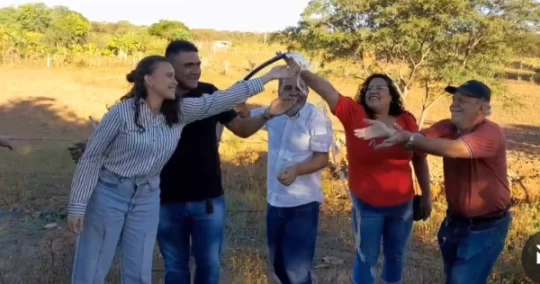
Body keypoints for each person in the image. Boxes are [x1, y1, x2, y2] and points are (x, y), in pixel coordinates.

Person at [68, 40, 296, 284]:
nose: (176, 80)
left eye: (196, 64)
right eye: (170, 74)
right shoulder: (122, 113)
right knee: (94, 266)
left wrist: (269, 77)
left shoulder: (180, 111)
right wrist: (77, 205)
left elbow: (219, 100)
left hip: (149, 196)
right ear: (149, 80)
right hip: (116, 193)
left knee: (140, 270)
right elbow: (93, 156)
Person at [284, 55, 432, 284]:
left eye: (380, 87)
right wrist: (301, 71)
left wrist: (427, 197)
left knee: (396, 254)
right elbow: (327, 90)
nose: (373, 91)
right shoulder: (353, 113)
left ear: (392, 96)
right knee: (366, 257)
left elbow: (420, 158)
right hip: (368, 207)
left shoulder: (406, 120)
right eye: (369, 88)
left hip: (402, 206)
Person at [357, 80, 512, 284]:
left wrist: (407, 138)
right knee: (453, 277)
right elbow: (419, 141)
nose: (453, 105)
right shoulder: (448, 126)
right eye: (454, 100)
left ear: (482, 108)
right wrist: (396, 135)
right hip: (455, 221)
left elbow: (454, 149)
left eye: (462, 101)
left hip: (486, 226)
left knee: (462, 279)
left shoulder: (490, 132)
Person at [237, 75, 333, 284]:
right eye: (288, 88)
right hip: (275, 201)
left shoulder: (315, 117)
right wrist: (240, 100)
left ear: (308, 91)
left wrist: (298, 170)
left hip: (303, 204)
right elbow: (246, 117)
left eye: (300, 88)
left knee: (296, 270)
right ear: (278, 91)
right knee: (278, 264)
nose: (294, 93)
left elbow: (322, 158)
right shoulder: (274, 112)